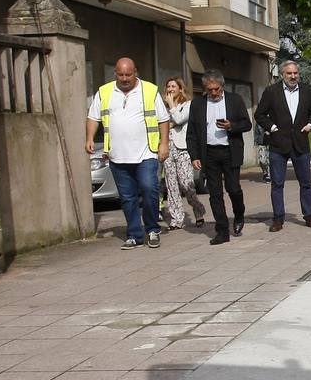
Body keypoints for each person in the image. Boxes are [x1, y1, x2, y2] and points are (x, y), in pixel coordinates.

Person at [86, 58, 170, 250]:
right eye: (121, 74)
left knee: (149, 189)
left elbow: (163, 119)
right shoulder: (105, 92)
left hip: (146, 153)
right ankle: (134, 235)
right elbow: (93, 117)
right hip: (117, 155)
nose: (124, 78)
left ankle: (152, 230)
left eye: (128, 74)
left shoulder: (149, 90)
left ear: (136, 72)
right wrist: (89, 137)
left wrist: (164, 144)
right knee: (127, 197)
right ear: (115, 73)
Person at [186, 70, 251, 245]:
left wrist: (232, 126)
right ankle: (222, 230)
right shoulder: (197, 104)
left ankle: (239, 214)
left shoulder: (235, 100)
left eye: (216, 89)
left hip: (230, 151)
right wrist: (194, 156)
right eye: (210, 89)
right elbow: (191, 132)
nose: (214, 93)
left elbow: (247, 124)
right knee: (214, 193)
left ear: (222, 86)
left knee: (233, 189)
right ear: (204, 88)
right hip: (209, 153)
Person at [255, 60, 311, 232]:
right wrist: (273, 128)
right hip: (278, 144)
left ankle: (309, 216)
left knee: (306, 183)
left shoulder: (306, 91)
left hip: (301, 143)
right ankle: (278, 219)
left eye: (295, 73)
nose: (293, 76)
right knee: (277, 183)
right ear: (282, 74)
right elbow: (259, 114)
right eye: (289, 73)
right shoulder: (271, 92)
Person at [161, 77, 207, 231]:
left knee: (185, 183)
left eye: (174, 86)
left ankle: (198, 209)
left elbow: (179, 119)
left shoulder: (188, 105)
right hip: (167, 148)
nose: (170, 89)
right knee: (171, 185)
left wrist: (172, 106)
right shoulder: (162, 107)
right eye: (168, 86)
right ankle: (177, 219)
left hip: (183, 149)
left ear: (181, 89)